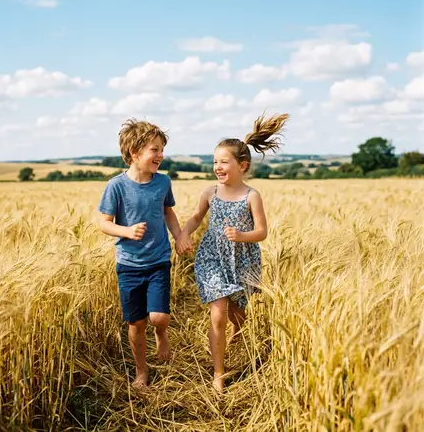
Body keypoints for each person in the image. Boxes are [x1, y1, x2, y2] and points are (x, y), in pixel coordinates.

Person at [176, 113, 289, 392]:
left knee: (238, 314)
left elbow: (262, 232)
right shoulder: (210, 192)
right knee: (218, 314)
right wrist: (183, 233)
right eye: (215, 161)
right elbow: (195, 217)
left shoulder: (252, 196)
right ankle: (218, 372)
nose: (217, 166)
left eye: (223, 162)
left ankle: (238, 336)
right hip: (212, 257)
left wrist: (241, 236)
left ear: (242, 165)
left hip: (244, 259)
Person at [98, 119, 183, 389]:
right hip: (129, 265)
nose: (160, 155)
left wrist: (179, 236)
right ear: (134, 153)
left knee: (158, 317)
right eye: (154, 150)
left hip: (158, 260)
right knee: (136, 323)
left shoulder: (162, 183)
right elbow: (103, 222)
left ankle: (162, 334)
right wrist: (126, 231)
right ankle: (141, 371)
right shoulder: (116, 186)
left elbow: (168, 213)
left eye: (161, 150)